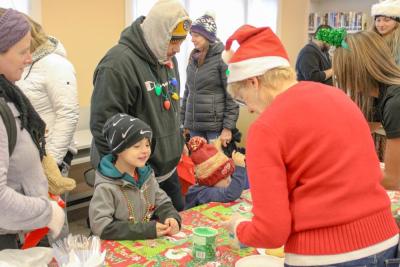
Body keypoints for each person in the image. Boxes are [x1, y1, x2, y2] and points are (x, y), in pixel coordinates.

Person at [221, 25, 399, 266]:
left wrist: (239, 228)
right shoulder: (339, 98)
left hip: (324, 253)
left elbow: (271, 232)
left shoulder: (266, 128)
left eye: (244, 100)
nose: (250, 109)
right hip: (385, 239)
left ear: (254, 82)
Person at [90, 0, 191, 212]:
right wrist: (129, 174)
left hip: (166, 172)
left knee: (177, 230)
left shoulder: (166, 57)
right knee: (137, 238)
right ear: (158, 35)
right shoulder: (117, 65)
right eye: (173, 41)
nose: (177, 49)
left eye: (181, 42)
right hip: (133, 179)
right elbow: (103, 126)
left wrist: (177, 138)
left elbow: (171, 106)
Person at [0, 8, 65, 249]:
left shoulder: (9, 94)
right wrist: (47, 212)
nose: (29, 59)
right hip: (12, 242)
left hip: (24, 232)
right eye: (23, 51)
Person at [319, 28, 400, 191]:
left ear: (355, 70)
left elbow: (394, 180)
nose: (336, 76)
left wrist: (335, 175)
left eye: (340, 70)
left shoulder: (395, 102)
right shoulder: (378, 94)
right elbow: (357, 131)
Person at [89, 114, 181, 240]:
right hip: (112, 249)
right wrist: (146, 230)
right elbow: (101, 226)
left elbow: (162, 201)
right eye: (137, 146)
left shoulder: (146, 175)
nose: (145, 151)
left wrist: (171, 216)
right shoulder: (106, 186)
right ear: (118, 149)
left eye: (147, 145)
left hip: (139, 243)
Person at [16, 14, 79, 176]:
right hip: (24, 154)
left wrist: (51, 163)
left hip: (49, 153)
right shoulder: (17, 63)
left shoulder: (55, 64)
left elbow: (68, 114)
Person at [181, 12, 239, 145]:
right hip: (194, 127)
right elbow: (187, 91)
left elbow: (232, 94)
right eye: (191, 35)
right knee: (198, 164)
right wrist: (183, 122)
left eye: (196, 35)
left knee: (216, 164)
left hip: (215, 128)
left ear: (207, 36)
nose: (192, 39)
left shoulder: (222, 57)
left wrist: (227, 128)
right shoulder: (193, 59)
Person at [184, 136, 248, 209]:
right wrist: (240, 169)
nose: (229, 180)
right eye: (224, 178)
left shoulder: (211, 185)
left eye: (229, 175)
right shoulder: (205, 193)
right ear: (210, 181)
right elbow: (230, 194)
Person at [371, 0, 400, 65]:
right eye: (378, 20)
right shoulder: (370, 40)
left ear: (397, 22)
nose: (381, 25)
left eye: (387, 20)